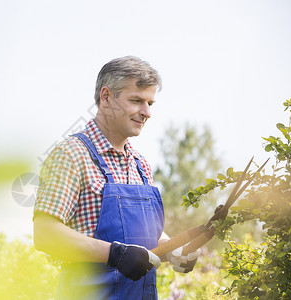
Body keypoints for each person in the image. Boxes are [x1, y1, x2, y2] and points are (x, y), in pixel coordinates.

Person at [33, 56, 199, 299]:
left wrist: (173, 249)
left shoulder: (140, 164)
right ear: (106, 97)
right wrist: (115, 254)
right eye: (136, 101)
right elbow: (45, 234)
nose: (146, 112)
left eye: (150, 103)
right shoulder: (71, 154)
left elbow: (147, 237)